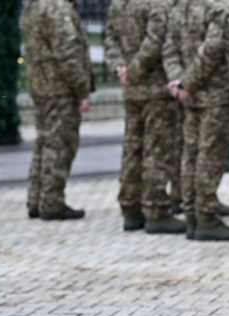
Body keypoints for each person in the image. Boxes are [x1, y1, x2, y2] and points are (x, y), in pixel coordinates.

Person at [163, 0, 229, 241]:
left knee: (192, 154)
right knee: (210, 155)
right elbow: (213, 49)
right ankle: (206, 217)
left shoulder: (181, 6)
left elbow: (169, 49)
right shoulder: (220, 7)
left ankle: (192, 215)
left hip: (189, 94)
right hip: (214, 93)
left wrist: (179, 82)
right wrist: (188, 82)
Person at [104, 0, 187, 234]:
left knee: (133, 147)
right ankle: (156, 209)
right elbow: (155, 41)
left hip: (132, 88)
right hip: (155, 87)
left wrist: (120, 67)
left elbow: (110, 37)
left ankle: (131, 207)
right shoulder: (156, 3)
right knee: (156, 149)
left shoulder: (119, 3)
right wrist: (134, 70)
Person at [22, 0, 92, 221]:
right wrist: (82, 89)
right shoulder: (57, 8)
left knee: (44, 142)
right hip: (60, 88)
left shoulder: (33, 6)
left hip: (41, 86)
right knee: (59, 144)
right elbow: (67, 53)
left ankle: (36, 199)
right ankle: (51, 202)